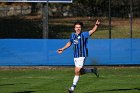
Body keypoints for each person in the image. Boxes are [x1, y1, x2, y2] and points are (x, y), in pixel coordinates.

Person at [57, 20, 100, 93]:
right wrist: (63, 48)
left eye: (79, 27)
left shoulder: (84, 34)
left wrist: (96, 25)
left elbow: (92, 30)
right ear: (74, 28)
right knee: (80, 72)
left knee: (77, 71)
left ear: (81, 28)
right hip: (75, 56)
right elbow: (70, 42)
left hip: (82, 55)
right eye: (76, 27)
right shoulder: (72, 35)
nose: (78, 29)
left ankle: (72, 88)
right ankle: (93, 70)